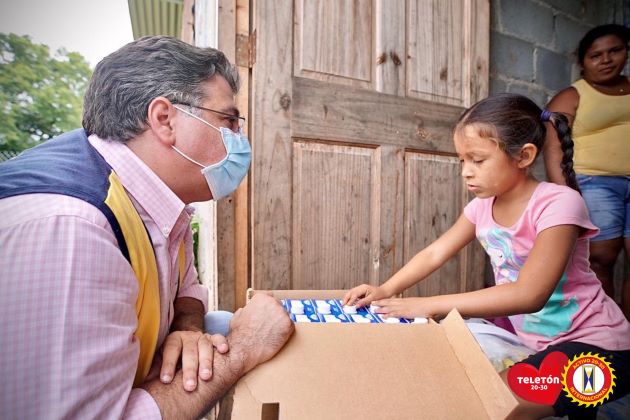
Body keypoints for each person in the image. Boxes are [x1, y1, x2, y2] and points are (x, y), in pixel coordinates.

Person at [0, 36, 293, 419]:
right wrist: (242, 349)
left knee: (214, 323)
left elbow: (186, 290)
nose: (239, 139)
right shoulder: (74, 228)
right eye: (228, 121)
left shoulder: (161, 202)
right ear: (164, 119)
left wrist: (186, 331)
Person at [343, 94, 630, 419]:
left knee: (500, 403)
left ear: (523, 156)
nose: (466, 172)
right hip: (533, 339)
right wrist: (387, 289)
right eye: (462, 160)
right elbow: (436, 252)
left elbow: (528, 295)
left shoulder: (559, 204)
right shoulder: (482, 206)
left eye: (477, 160)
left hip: (601, 350)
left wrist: (427, 304)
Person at [543, 24, 630, 321]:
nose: (606, 60)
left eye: (614, 51)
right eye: (596, 55)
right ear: (583, 62)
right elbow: (553, 148)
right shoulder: (572, 95)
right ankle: (607, 331)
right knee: (601, 260)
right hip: (595, 183)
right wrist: (568, 195)